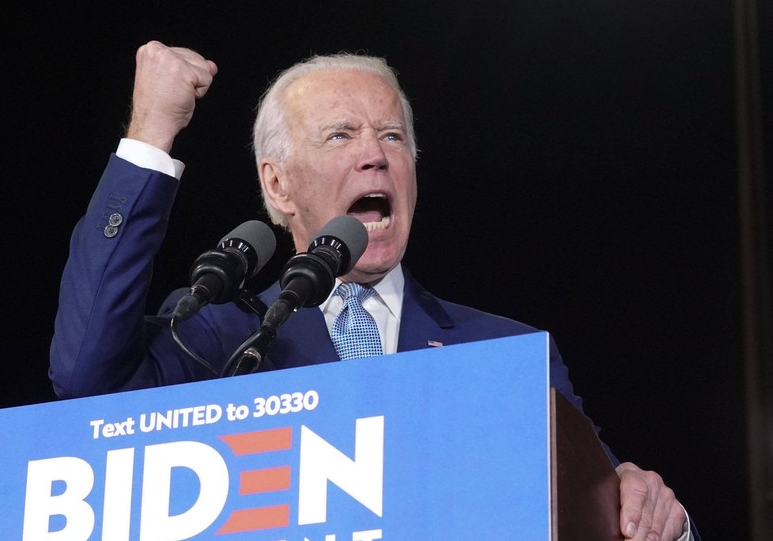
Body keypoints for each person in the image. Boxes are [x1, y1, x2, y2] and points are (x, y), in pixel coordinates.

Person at [50, 41, 697, 540]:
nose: (375, 155)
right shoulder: (214, 338)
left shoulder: (508, 352)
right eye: (340, 135)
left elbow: (608, 507)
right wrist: (152, 131)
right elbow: (84, 374)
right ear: (277, 186)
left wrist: (653, 511)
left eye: (391, 136)